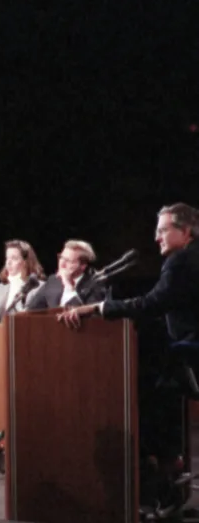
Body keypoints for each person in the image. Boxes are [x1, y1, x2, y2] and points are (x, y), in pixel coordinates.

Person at [60, 204, 199, 505]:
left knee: (142, 389)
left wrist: (98, 308)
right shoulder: (190, 258)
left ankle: (163, 467)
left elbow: (151, 303)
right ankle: (166, 464)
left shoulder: (182, 261)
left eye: (163, 230)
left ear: (186, 231)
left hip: (192, 355)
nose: (156, 237)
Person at [25, 240, 105, 310]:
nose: (62, 264)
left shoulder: (95, 285)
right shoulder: (53, 281)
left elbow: (84, 317)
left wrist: (68, 285)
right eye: (61, 258)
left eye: (68, 261)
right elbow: (31, 310)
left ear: (82, 266)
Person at [0, 239, 46, 322]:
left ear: (25, 262)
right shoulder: (1, 288)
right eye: (7, 258)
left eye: (14, 258)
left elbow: (30, 320)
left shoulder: (38, 287)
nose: (8, 262)